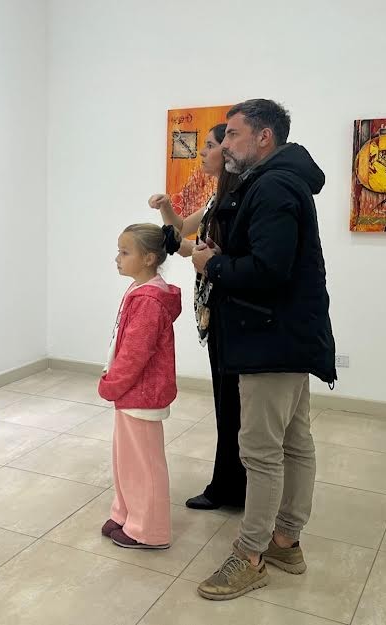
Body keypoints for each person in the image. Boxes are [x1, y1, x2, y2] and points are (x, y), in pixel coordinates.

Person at [194, 99, 337, 600]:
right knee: (295, 442)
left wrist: (212, 265)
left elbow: (268, 271)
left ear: (264, 137)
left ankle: (251, 555)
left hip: (269, 338)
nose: (226, 144)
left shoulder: (273, 186)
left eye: (233, 134)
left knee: (260, 451)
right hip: (288, 335)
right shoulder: (281, 180)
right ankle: (285, 542)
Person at [149, 123, 247, 511]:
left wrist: (189, 250)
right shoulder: (217, 198)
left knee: (231, 406)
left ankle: (229, 487)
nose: (203, 152)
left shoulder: (236, 200)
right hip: (216, 309)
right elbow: (183, 231)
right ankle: (230, 485)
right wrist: (166, 210)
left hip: (228, 310)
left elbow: (208, 253)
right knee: (228, 404)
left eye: (210, 145)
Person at [98, 223, 183, 550]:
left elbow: (135, 353)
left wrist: (112, 385)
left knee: (144, 464)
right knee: (126, 459)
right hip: (130, 394)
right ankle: (126, 514)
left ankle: (150, 530)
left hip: (141, 394)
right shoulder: (139, 289)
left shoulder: (149, 300)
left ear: (148, 258)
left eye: (125, 252)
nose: (117, 258)